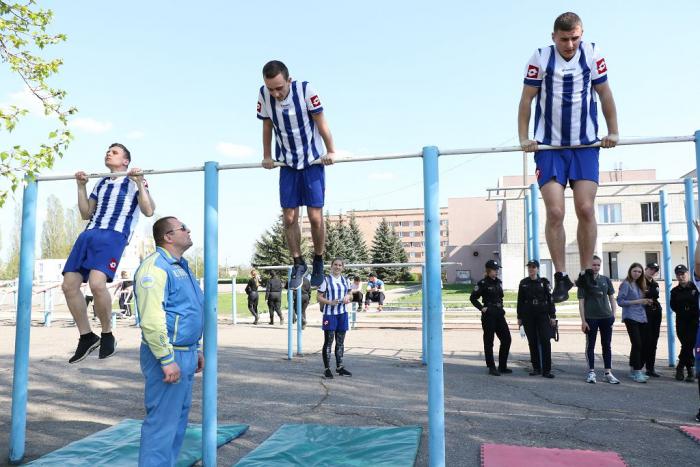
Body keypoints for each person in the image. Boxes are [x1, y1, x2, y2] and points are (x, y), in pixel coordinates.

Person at [518, 11, 619, 303]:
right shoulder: (540, 57)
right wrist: (523, 137)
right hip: (549, 147)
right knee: (555, 212)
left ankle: (587, 272)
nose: (570, 45)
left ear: (581, 35)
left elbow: (605, 93)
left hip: (584, 145)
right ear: (554, 37)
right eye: (564, 39)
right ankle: (561, 275)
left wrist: (613, 131)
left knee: (586, 208)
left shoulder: (592, 54)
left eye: (575, 38)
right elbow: (526, 99)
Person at [62, 143, 155, 363]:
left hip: (113, 234)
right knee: (69, 285)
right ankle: (87, 336)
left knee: (97, 284)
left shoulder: (134, 181)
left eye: (114, 152)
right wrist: (81, 187)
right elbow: (86, 213)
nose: (108, 154)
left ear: (125, 161)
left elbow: (149, 210)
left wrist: (140, 182)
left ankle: (107, 334)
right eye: (108, 151)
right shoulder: (102, 182)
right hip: (89, 234)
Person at [257, 60, 336, 289]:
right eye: (271, 88)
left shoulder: (305, 90)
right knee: (289, 217)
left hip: (312, 160)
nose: (276, 93)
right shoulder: (264, 95)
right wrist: (267, 155)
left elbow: (321, 122)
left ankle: (318, 259)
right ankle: (298, 262)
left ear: (289, 81)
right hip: (288, 163)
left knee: (314, 216)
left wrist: (331, 150)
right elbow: (267, 126)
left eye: (279, 88)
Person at [133, 216, 204, 466]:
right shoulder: (155, 268)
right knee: (162, 423)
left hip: (186, 352)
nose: (188, 230)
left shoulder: (181, 266)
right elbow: (152, 319)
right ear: (168, 237)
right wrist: (166, 359)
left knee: (178, 421)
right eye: (183, 228)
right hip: (168, 354)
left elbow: (189, 309)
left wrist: (196, 348)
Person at [577, 255, 619, 384]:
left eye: (598, 265)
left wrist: (613, 315)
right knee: (591, 345)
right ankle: (591, 372)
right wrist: (583, 321)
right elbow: (581, 302)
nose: (596, 267)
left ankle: (608, 373)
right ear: (589, 266)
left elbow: (612, 298)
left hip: (606, 317)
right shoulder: (583, 281)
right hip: (591, 318)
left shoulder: (606, 280)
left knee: (607, 345)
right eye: (593, 265)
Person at [470, 260, 512, 376]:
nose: (496, 271)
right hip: (489, 315)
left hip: (499, 313)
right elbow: (473, 298)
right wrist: (482, 308)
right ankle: (491, 367)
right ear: (488, 270)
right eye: (494, 269)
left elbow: (500, 297)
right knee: (489, 341)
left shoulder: (498, 282)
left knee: (507, 339)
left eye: (497, 269)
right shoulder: (482, 283)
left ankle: (502, 366)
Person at [516, 260, 557, 378]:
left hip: (542, 315)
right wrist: (519, 317)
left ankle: (547, 370)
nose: (531, 269)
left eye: (533, 267)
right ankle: (536, 368)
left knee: (545, 341)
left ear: (538, 269)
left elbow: (550, 300)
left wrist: (552, 316)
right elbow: (520, 301)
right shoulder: (523, 283)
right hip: (528, 315)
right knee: (532, 342)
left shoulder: (544, 282)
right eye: (529, 267)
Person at [317, 258, 352, 378]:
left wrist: (348, 297)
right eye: (335, 265)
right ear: (331, 266)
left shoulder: (346, 280)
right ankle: (327, 369)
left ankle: (339, 367)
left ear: (343, 267)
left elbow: (350, 294)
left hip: (342, 314)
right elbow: (319, 297)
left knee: (340, 342)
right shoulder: (326, 280)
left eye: (340, 265)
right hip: (330, 314)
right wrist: (330, 302)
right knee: (329, 341)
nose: (337, 267)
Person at [617, 263, 651, 383]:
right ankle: (637, 371)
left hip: (641, 317)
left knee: (639, 344)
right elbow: (620, 301)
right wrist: (638, 301)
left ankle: (632, 370)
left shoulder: (640, 284)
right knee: (637, 344)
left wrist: (646, 301)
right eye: (635, 271)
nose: (637, 273)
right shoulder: (626, 284)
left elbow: (640, 301)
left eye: (639, 272)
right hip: (630, 317)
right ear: (630, 271)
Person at [671, 264, 699, 382]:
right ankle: (689, 371)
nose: (681, 276)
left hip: (693, 321)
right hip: (681, 321)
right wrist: (684, 309)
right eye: (678, 274)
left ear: (687, 274)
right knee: (686, 345)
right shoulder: (675, 291)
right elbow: (673, 306)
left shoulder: (695, 288)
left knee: (688, 345)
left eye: (683, 274)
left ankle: (681, 367)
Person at [643, 262, 662, 377]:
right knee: (646, 340)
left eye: (655, 270)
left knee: (654, 340)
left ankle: (650, 368)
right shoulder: (639, 282)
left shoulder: (655, 284)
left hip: (655, 313)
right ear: (646, 269)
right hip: (644, 313)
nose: (653, 272)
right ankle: (638, 367)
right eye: (651, 269)